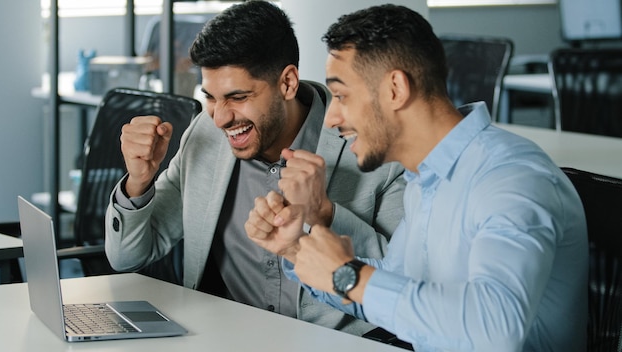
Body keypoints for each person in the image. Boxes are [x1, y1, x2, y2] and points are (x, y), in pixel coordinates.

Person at [244, 4, 588, 351]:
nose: (331, 119)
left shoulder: (511, 178)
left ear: (395, 89)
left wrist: (346, 275)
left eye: (342, 95)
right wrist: (296, 249)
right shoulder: (426, 179)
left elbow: (495, 329)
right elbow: (396, 294)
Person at [104, 0, 405, 336]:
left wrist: (325, 213)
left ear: (288, 83)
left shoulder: (374, 147)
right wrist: (139, 181)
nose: (220, 117)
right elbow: (128, 257)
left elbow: (402, 279)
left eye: (237, 96)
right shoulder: (205, 133)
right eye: (211, 97)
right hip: (217, 337)